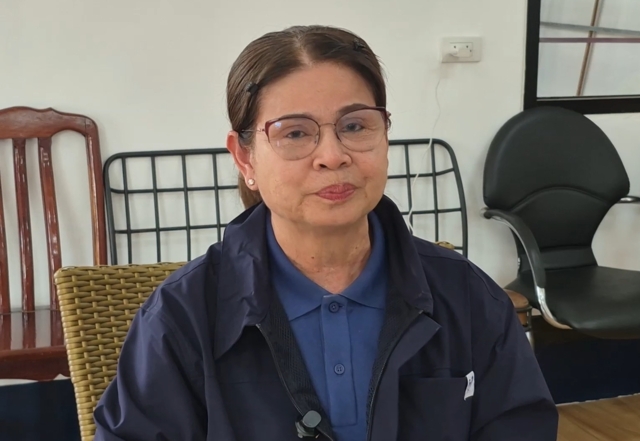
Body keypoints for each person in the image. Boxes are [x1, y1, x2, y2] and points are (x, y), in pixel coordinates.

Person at [93, 25, 558, 441]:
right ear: (244, 157)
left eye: (355, 126)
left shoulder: (467, 296)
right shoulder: (182, 317)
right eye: (295, 133)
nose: (333, 156)